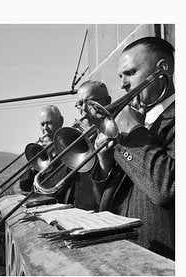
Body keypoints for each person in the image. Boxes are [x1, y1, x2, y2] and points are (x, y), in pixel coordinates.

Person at [91, 37, 175, 260]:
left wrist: (135, 131)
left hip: (162, 258)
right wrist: (105, 163)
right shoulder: (134, 124)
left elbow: (166, 189)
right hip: (120, 253)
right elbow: (103, 202)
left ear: (162, 70)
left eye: (130, 72)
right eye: (120, 76)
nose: (122, 84)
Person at [19, 105, 75, 204]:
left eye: (49, 123)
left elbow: (57, 187)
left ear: (61, 121)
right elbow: (24, 185)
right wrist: (35, 162)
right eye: (42, 124)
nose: (45, 128)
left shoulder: (70, 148)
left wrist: (56, 150)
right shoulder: (38, 151)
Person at [72, 81, 111, 211]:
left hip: (109, 212)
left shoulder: (118, 132)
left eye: (89, 102)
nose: (83, 109)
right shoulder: (78, 137)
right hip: (81, 211)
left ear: (107, 101)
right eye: (79, 104)